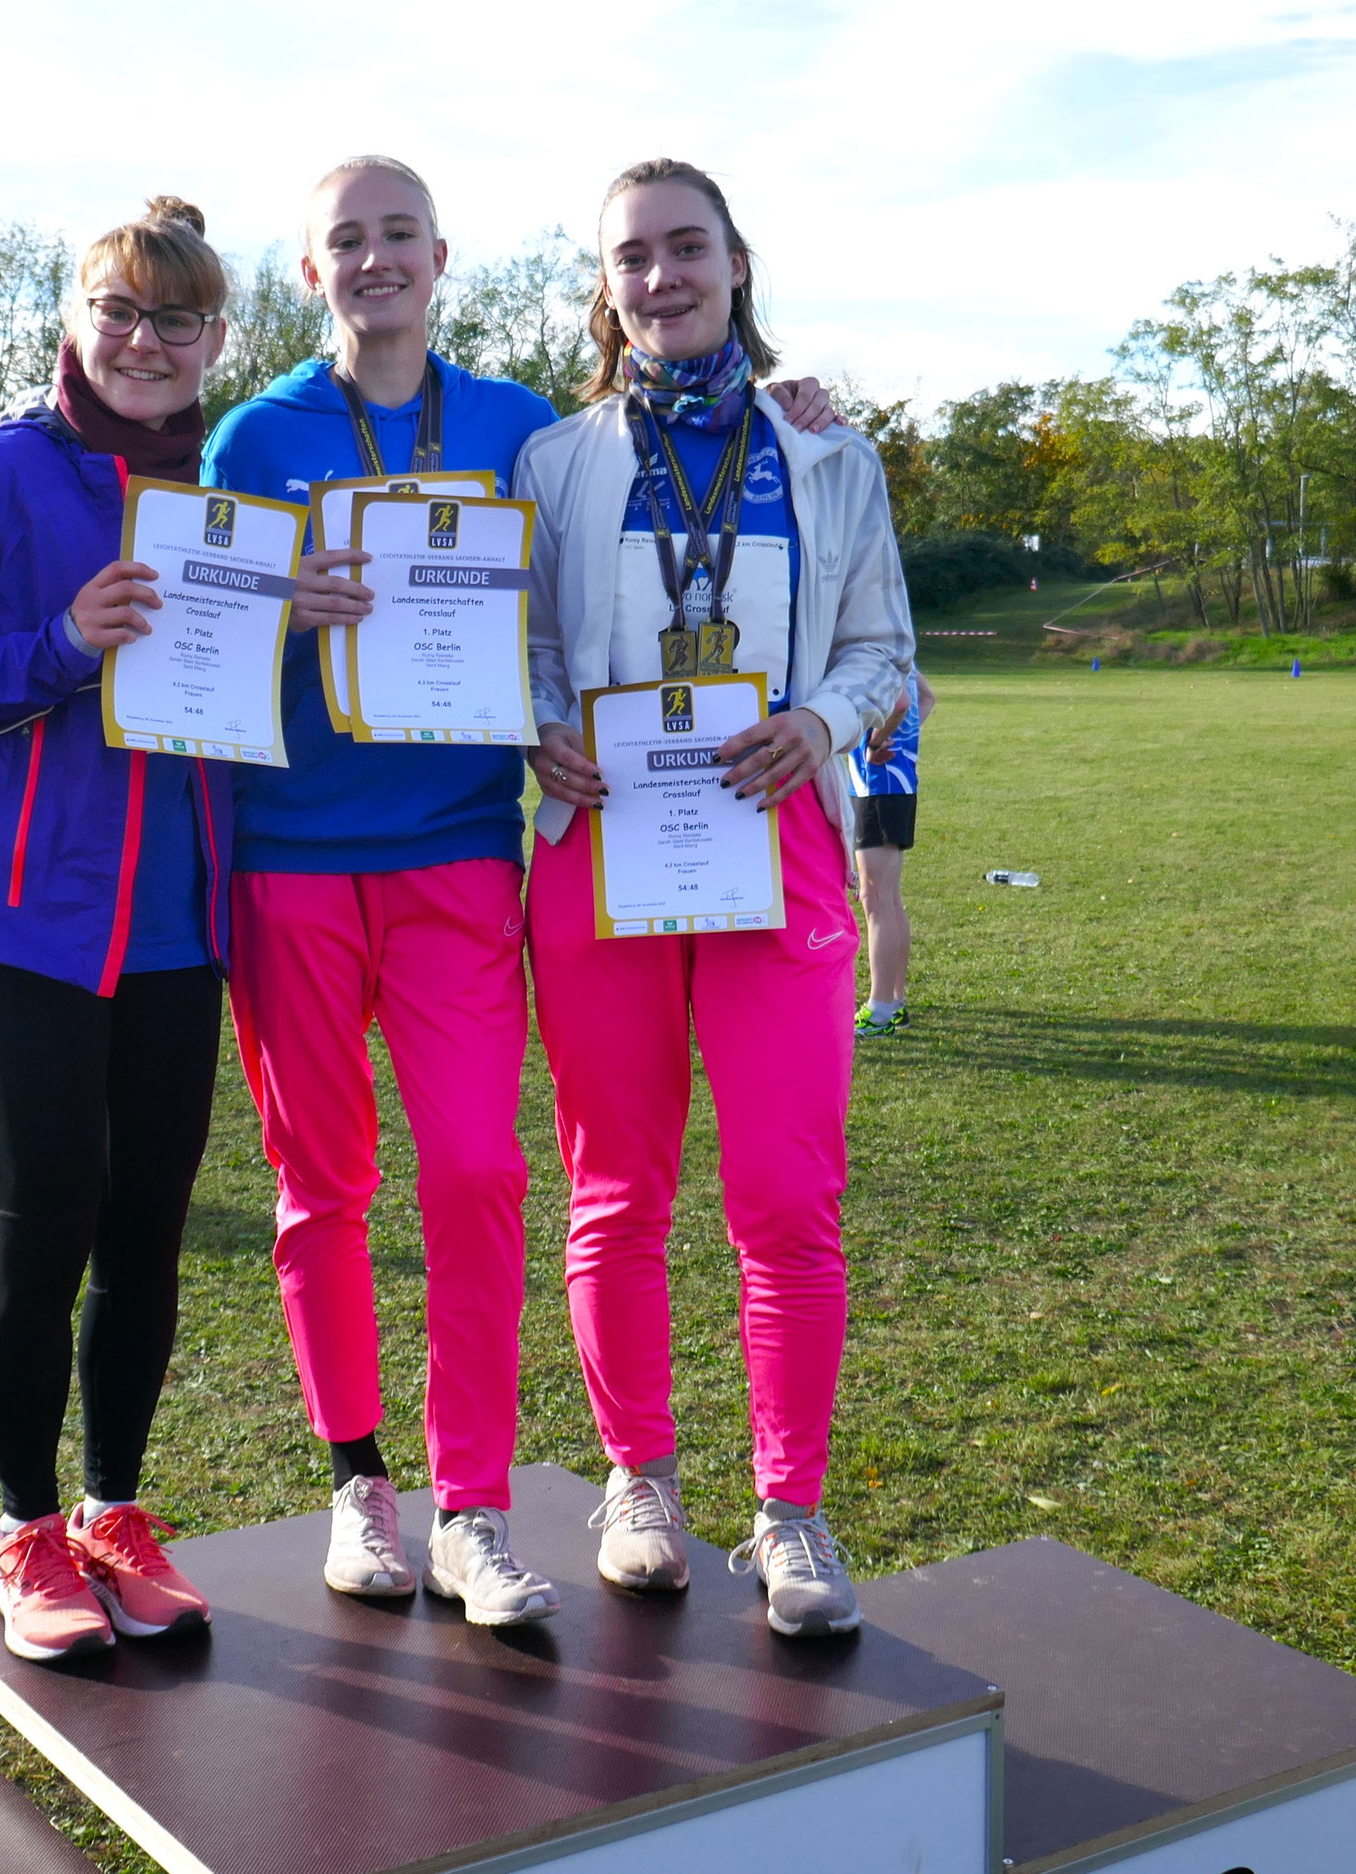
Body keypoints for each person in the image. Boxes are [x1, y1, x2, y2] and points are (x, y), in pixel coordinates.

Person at [201, 156, 841, 1628]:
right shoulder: (252, 435)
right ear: (313, 273)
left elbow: (581, 606)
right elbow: (192, 659)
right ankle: (364, 1483)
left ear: (443, 256)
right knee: (323, 1187)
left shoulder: (518, 432)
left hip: (461, 850)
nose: (376, 260)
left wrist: (799, 405)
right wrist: (271, 609)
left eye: (400, 235)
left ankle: (472, 1507)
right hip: (290, 857)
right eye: (346, 240)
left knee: (483, 1174)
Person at [518, 158, 914, 1637]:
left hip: (776, 840)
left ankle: (792, 1512)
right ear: (607, 287)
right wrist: (538, 720)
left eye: (688, 249)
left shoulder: (830, 455)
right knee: (615, 1189)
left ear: (738, 262)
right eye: (634, 257)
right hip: (603, 841)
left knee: (787, 1198)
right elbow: (526, 639)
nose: (662, 277)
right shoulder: (557, 458)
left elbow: (884, 647)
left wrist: (822, 722)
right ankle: (638, 1480)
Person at [0, 198, 239, 1664]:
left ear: (215, 340)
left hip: (180, 921)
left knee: (149, 1233)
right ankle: (24, 1531)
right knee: (49, 1221)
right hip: (22, 917)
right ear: (75, 318)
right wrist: (63, 647)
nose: (144, 341)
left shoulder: (235, 483)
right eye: (120, 312)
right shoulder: (0, 473)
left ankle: (114, 1513)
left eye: (176, 319)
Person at [850, 669, 933, 1039]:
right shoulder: (903, 655)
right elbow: (925, 698)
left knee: (876, 899)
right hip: (896, 783)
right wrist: (902, 741)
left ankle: (879, 1009)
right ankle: (894, 1002)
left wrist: (875, 742)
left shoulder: (878, 651)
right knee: (890, 899)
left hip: (878, 785)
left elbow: (901, 703)